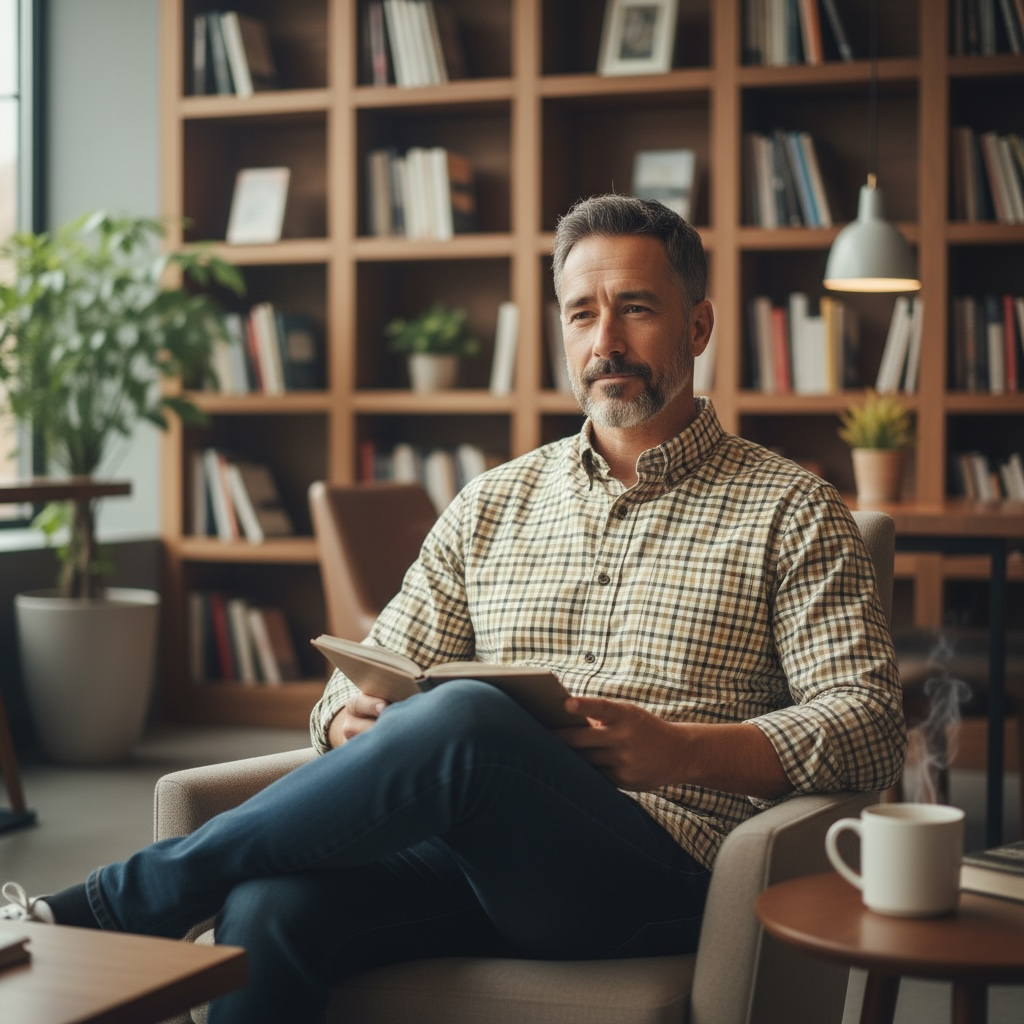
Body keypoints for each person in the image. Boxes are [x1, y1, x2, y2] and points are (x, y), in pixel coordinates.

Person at [2, 194, 906, 1024]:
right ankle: (151, 902)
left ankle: (116, 904)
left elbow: (869, 725)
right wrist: (346, 721)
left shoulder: (794, 510)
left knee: (468, 716)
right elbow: (367, 669)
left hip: (661, 871)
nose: (606, 343)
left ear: (698, 323)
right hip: (476, 857)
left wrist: (679, 748)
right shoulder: (493, 503)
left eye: (635, 307)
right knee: (264, 908)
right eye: (581, 315)